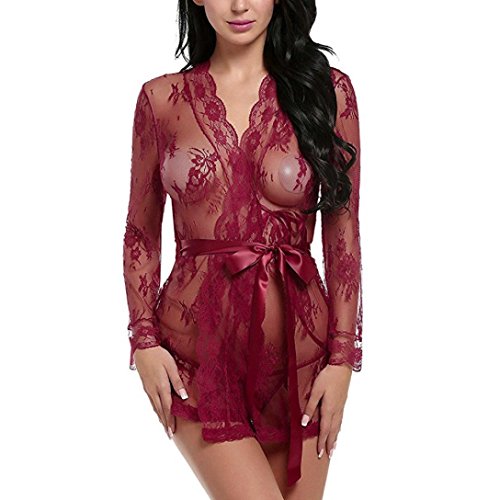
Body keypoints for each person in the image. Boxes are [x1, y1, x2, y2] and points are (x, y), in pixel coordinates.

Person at [122, 0, 363, 498]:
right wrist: (143, 341)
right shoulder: (161, 100)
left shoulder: (327, 92)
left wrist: (342, 359)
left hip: (303, 363)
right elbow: (141, 232)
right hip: (196, 362)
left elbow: (343, 232)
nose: (239, 4)